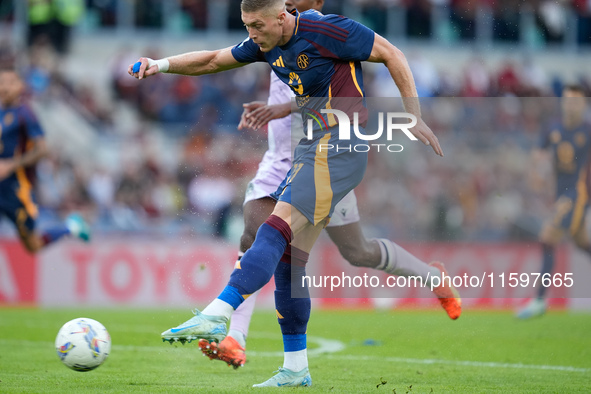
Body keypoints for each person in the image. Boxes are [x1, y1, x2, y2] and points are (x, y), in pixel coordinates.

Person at [130, 0, 448, 387]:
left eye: (257, 26)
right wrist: (159, 65)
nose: (251, 34)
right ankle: (296, 367)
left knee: (271, 231)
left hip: (341, 148)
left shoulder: (328, 30)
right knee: (290, 263)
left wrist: (413, 114)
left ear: (282, 17)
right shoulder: (265, 41)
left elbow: (391, 53)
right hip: (310, 150)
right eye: (247, 25)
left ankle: (219, 311)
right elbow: (213, 60)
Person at [517, 84, 591, 319]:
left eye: (576, 101)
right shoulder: (553, 128)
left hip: (578, 194)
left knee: (547, 237)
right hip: (561, 194)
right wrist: (536, 172)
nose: (571, 105)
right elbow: (539, 154)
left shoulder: (588, 131)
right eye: (568, 100)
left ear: (584, 105)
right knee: (582, 243)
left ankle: (539, 300)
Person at [0, 68, 90, 253]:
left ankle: (71, 227)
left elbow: (42, 150)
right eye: (1, 83)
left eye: (10, 82)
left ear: (20, 86)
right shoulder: (2, 113)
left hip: (17, 189)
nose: (4, 87)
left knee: (33, 245)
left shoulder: (25, 114)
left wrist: (11, 165)